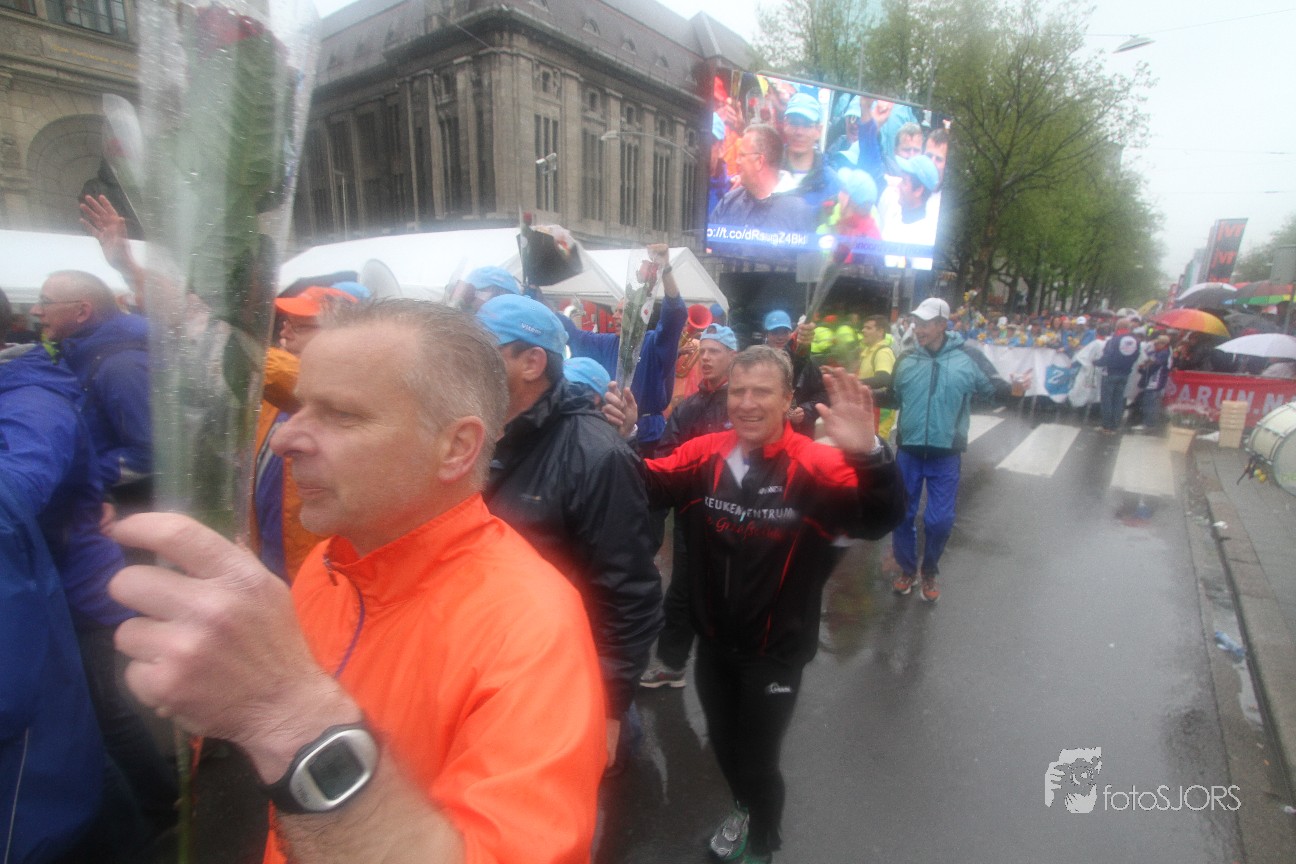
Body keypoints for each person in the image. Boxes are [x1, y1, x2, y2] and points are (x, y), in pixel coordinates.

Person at [106, 300, 607, 864]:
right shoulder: (330, 562)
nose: (285, 439)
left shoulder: (532, 629)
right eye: (300, 407)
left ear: (457, 447)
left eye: (342, 414)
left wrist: (290, 718)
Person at [641, 347, 905, 864]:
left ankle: (762, 844)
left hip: (776, 650)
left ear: (787, 400)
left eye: (761, 392)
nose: (746, 403)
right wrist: (626, 434)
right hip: (714, 645)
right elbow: (645, 482)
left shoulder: (815, 463)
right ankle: (744, 810)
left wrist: (872, 454)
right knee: (723, 744)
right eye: (738, 391)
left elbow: (878, 519)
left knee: (758, 760)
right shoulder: (705, 454)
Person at [476, 294, 662, 769]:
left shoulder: (598, 456)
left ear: (531, 363)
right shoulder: (476, 433)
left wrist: (611, 707)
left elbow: (629, 592)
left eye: (482, 350)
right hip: (493, 661)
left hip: (563, 670)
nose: (466, 362)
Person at [890, 297, 1009, 602]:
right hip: (909, 452)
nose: (918, 329)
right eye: (915, 323)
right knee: (901, 515)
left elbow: (994, 391)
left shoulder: (968, 356)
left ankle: (929, 570)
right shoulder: (906, 358)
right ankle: (907, 569)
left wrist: (1011, 390)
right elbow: (893, 396)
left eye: (925, 324)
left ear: (943, 325)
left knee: (939, 521)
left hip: (945, 454)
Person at [641, 324, 740, 689]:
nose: (707, 358)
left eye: (716, 351)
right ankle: (672, 663)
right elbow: (667, 454)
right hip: (692, 516)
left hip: (736, 519)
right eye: (705, 351)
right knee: (683, 591)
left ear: (733, 357)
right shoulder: (689, 407)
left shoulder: (742, 405)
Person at [252, 286, 358, 581]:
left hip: (317, 567)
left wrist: (244, 348)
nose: (286, 330)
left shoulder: (347, 388)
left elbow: (299, 381)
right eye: (287, 322)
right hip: (268, 550)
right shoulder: (272, 390)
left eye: (302, 326)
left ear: (343, 336)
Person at [31, 270, 151, 507]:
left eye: (45, 302)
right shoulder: (81, 352)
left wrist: (72, 476)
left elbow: (150, 455)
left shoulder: (123, 366)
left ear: (82, 312)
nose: (35, 310)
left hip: (124, 508)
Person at [560, 244, 687, 456]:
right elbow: (571, 333)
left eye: (623, 311)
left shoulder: (653, 343)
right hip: (612, 432)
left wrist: (665, 270)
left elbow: (674, 315)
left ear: (640, 315)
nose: (616, 316)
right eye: (616, 311)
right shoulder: (606, 342)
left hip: (650, 438)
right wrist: (533, 298)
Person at [710, 125, 814, 235]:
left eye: (741, 155)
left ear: (759, 161)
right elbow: (707, 243)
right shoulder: (729, 202)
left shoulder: (799, 212)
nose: (737, 161)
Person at [772, 92, 842, 213]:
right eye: (794, 123)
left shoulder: (831, 182)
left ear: (819, 130)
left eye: (807, 125)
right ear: (785, 125)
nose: (799, 132)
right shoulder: (768, 169)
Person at [763, 310, 826, 438]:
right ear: (767, 335)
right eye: (775, 332)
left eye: (784, 332)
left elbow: (823, 394)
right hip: (766, 433)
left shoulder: (807, 362)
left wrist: (805, 411)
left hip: (799, 434)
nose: (780, 337)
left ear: (790, 333)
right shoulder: (756, 362)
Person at [1094, 318, 1140, 434]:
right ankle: (1115, 425)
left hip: (1110, 373)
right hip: (1125, 373)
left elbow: (1107, 356)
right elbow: (1136, 356)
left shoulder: (1114, 340)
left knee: (1107, 400)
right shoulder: (1135, 341)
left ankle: (1106, 426)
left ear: (1117, 327)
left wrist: (1097, 362)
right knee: (1118, 400)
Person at [857, 314, 898, 440]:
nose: (863, 330)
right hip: (870, 408)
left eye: (868, 328)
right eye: (863, 327)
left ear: (880, 332)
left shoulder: (883, 352)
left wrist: (854, 383)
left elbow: (883, 379)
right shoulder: (870, 351)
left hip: (879, 412)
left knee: (876, 446)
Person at [1135, 334, 1172, 432]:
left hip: (1156, 381)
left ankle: (1149, 424)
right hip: (1152, 380)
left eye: (1157, 344)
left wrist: (1143, 368)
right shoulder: (1160, 352)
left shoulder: (1164, 353)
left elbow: (1154, 364)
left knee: (1150, 403)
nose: (1155, 346)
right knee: (1149, 402)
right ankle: (1149, 422)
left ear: (1163, 344)